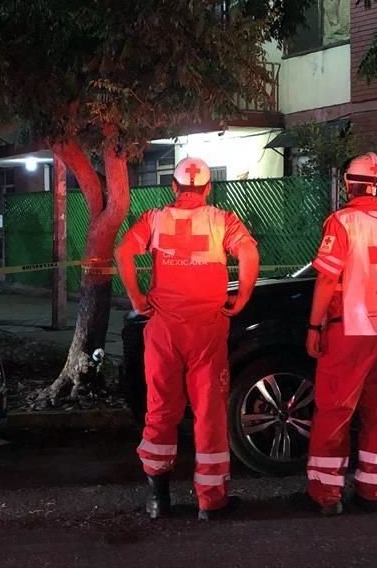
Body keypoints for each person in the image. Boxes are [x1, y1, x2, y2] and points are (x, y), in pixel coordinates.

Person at [114, 157, 260, 521]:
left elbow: (122, 252)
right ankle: (211, 502)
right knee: (209, 412)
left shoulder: (155, 218)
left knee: (161, 409)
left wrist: (136, 298)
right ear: (208, 188)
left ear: (174, 188)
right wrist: (242, 296)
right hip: (207, 328)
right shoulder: (222, 220)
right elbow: (249, 252)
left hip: (164, 328)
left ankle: (157, 500)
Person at [305, 152, 377, 516]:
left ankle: (326, 493)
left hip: (352, 327)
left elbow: (326, 277)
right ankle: (374, 491)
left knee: (335, 409)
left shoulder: (342, 222)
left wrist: (314, 324)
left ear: (349, 184)